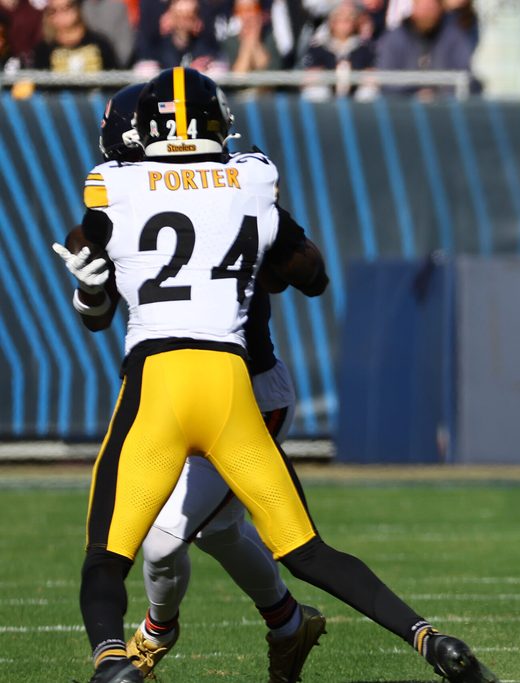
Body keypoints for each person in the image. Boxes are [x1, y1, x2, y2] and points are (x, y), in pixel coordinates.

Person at [52, 66, 498, 683]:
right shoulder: (250, 180)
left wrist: (89, 290)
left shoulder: (115, 189)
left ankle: (123, 656)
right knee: (293, 545)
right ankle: (421, 638)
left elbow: (97, 285)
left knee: (119, 552)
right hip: (229, 382)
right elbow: (310, 273)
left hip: (178, 380)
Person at [54, 82, 330, 683]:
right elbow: (96, 315)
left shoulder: (232, 188)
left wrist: (274, 255)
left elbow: (310, 273)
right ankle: (289, 623)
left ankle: (153, 637)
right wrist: (91, 286)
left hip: (248, 390)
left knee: (163, 540)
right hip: (180, 390)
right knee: (220, 530)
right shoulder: (119, 204)